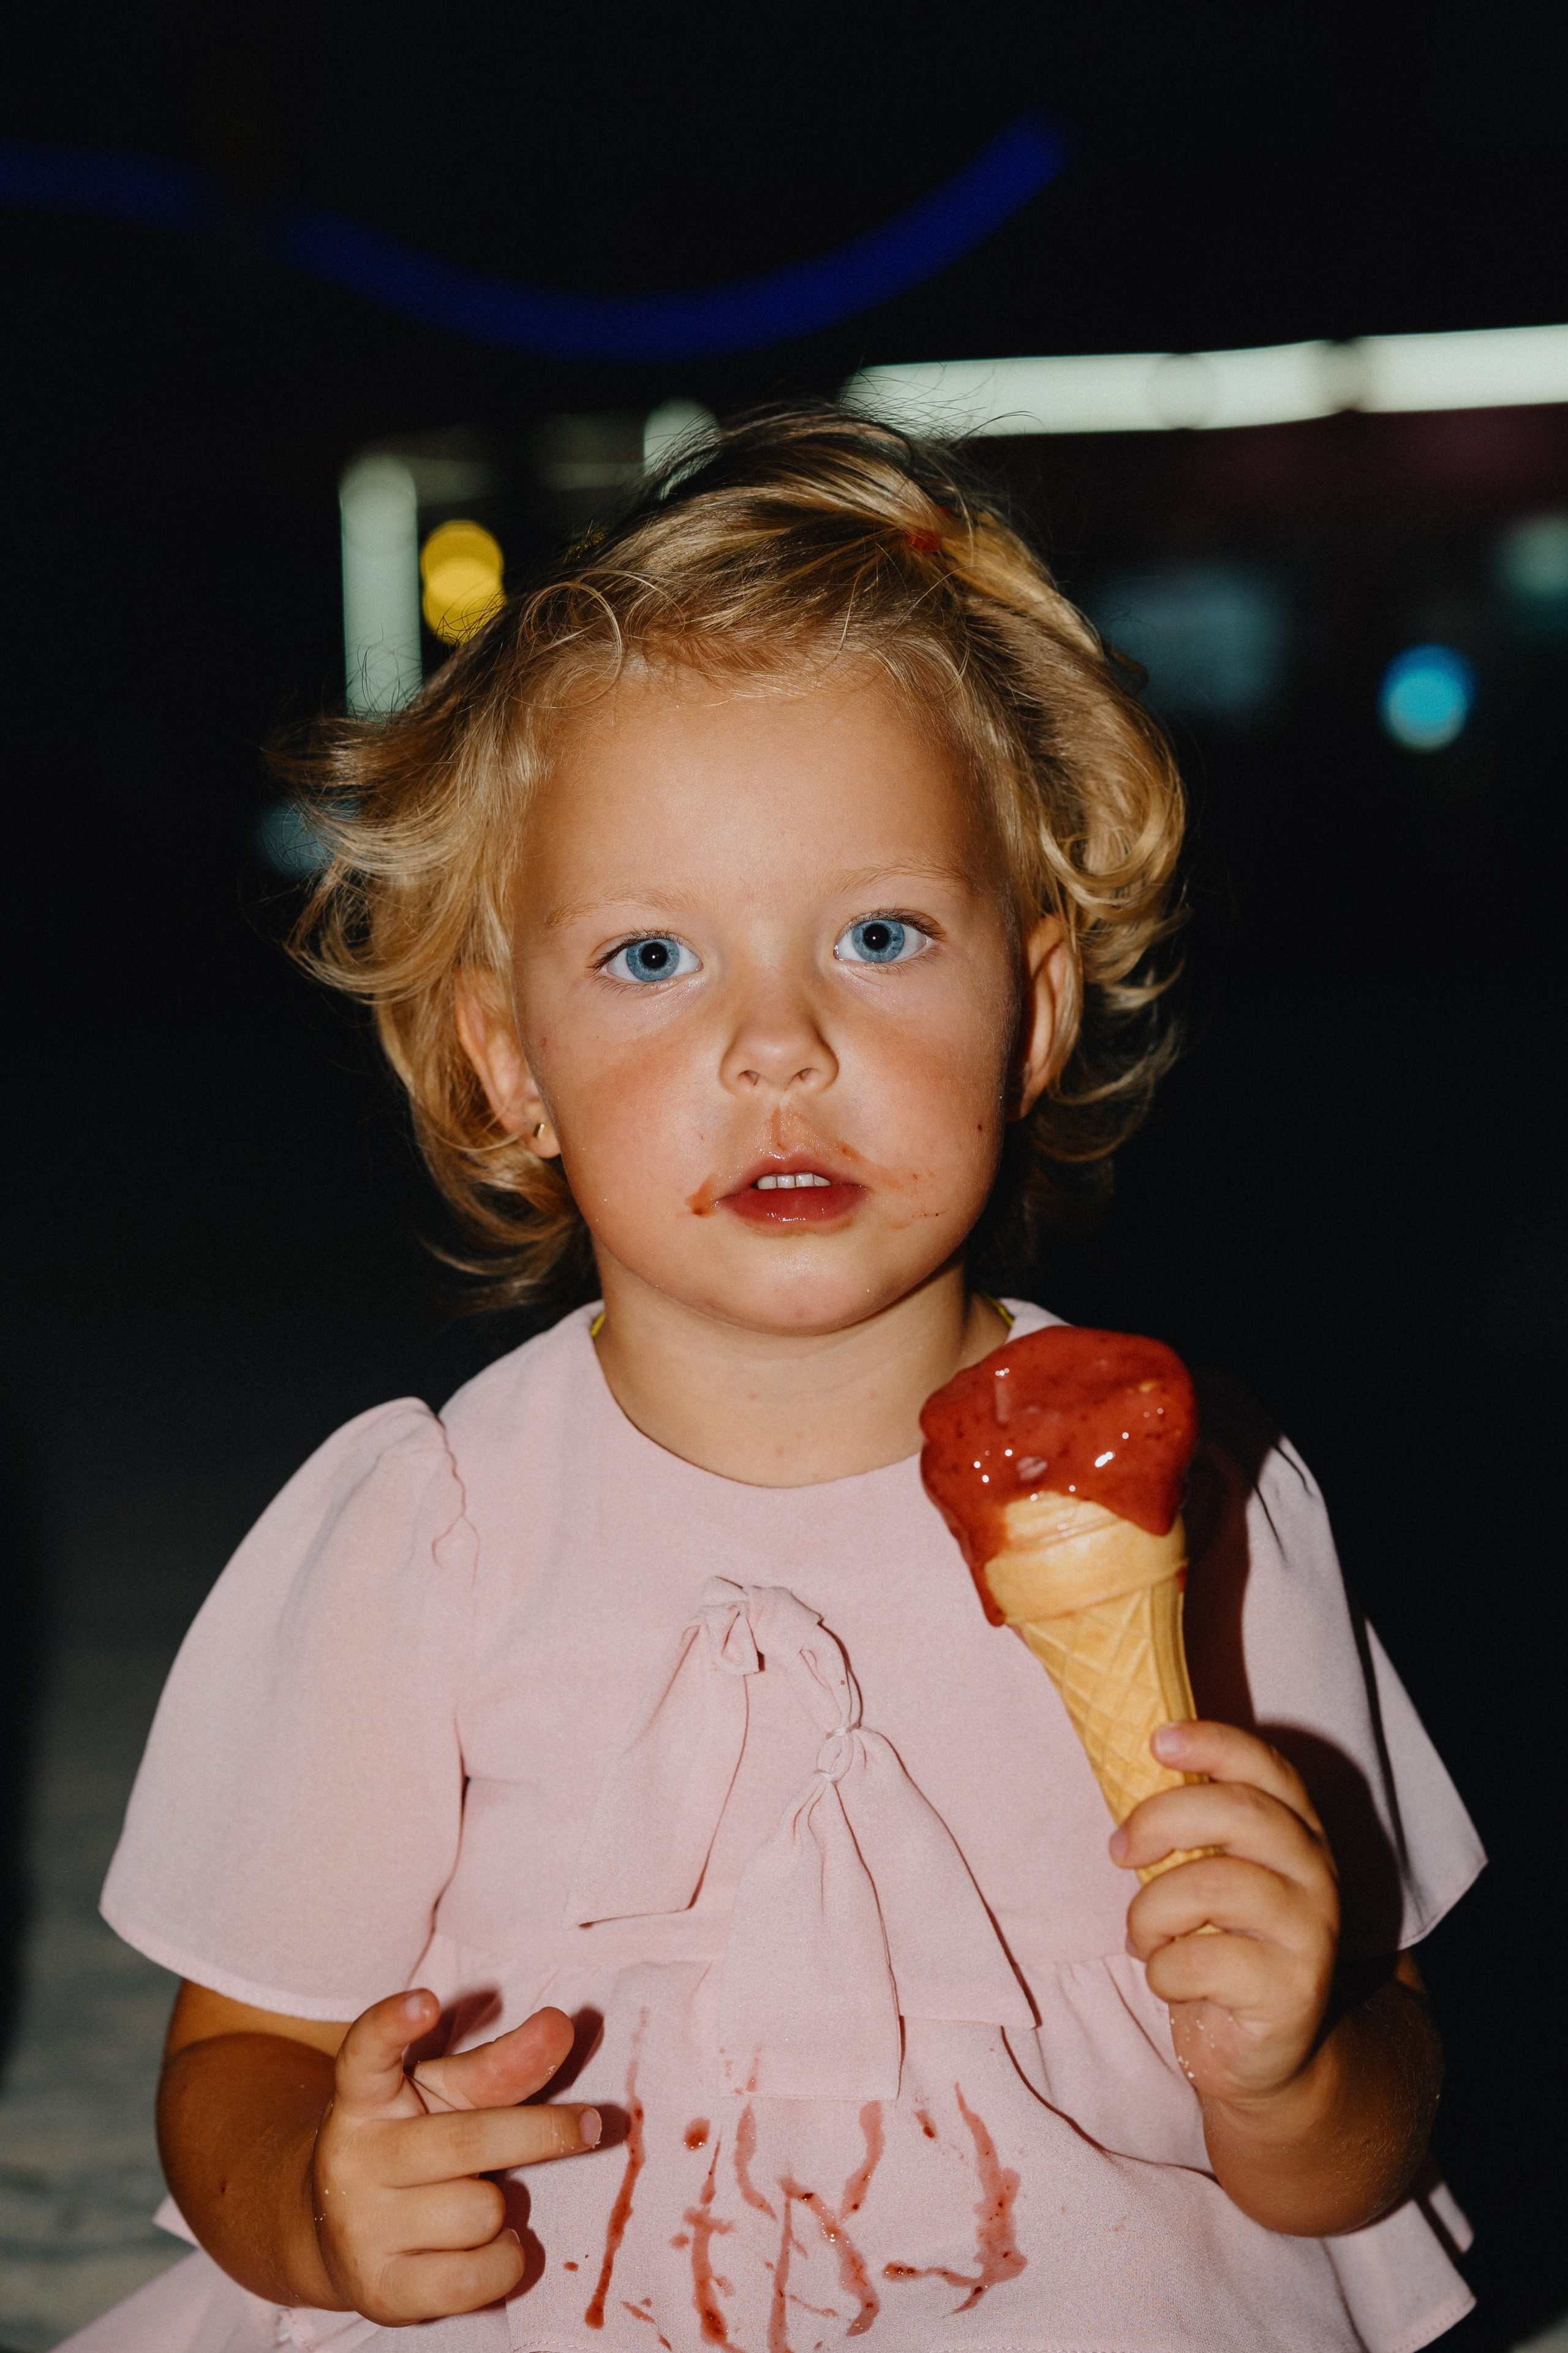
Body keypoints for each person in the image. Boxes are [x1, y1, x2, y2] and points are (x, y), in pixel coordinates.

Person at [72, 410, 1483, 2353]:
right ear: (505, 1063)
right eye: (653, 955)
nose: (778, 1044)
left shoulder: (1206, 1499)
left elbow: (1369, 2150)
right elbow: (236, 2055)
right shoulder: (437, 1527)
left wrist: (1299, 2065)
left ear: (1039, 1004)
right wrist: (318, 2204)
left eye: (881, 934)